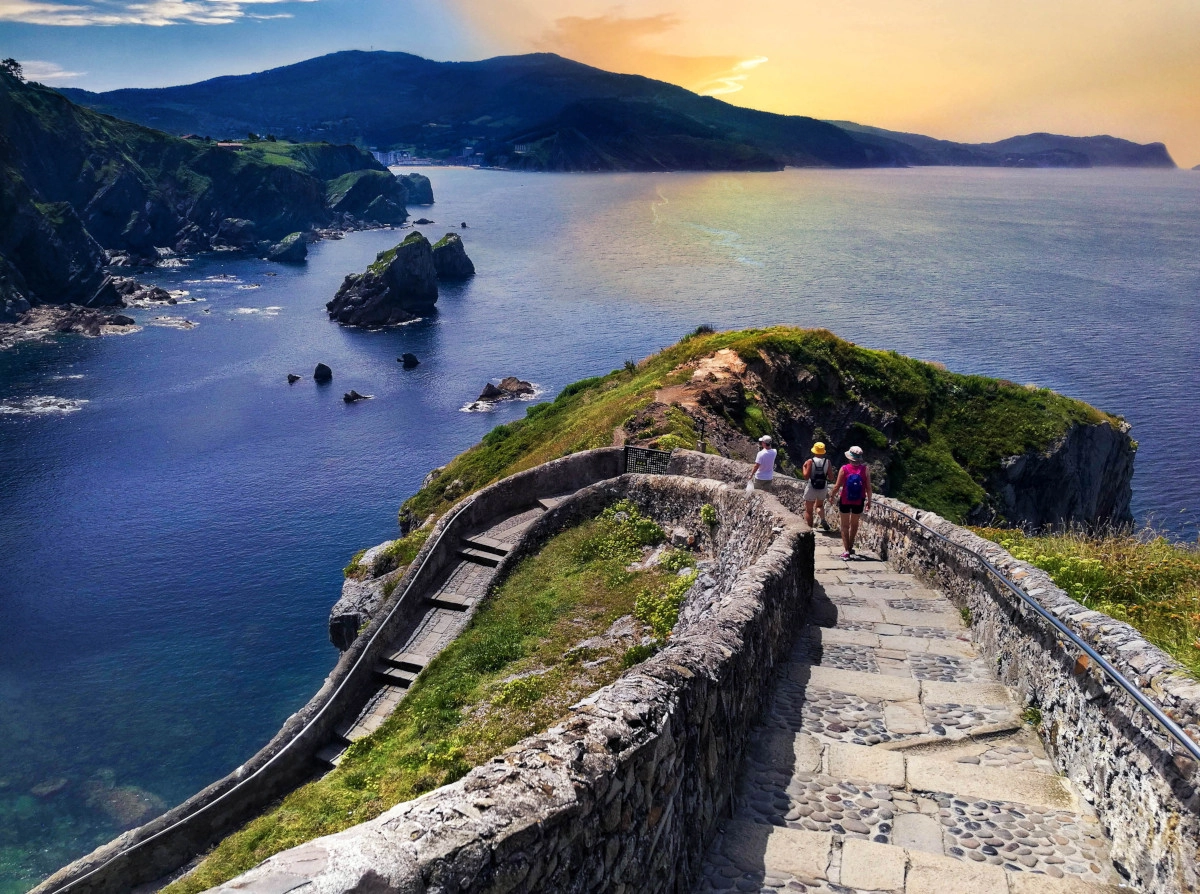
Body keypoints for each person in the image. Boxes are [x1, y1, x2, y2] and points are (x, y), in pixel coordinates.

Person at [829, 445, 872, 559]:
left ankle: (846, 550)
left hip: (845, 499)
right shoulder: (865, 469)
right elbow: (868, 487)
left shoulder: (844, 468)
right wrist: (869, 501)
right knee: (854, 524)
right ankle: (851, 545)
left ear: (849, 457)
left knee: (844, 525)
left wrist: (832, 496)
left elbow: (837, 486)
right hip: (859, 500)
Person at [801, 441, 832, 531]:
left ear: (814, 451)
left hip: (811, 486)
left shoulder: (810, 461)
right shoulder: (827, 462)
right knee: (819, 505)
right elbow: (831, 477)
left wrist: (804, 467)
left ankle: (809, 530)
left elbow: (806, 477)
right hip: (823, 487)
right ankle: (822, 519)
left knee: (809, 510)